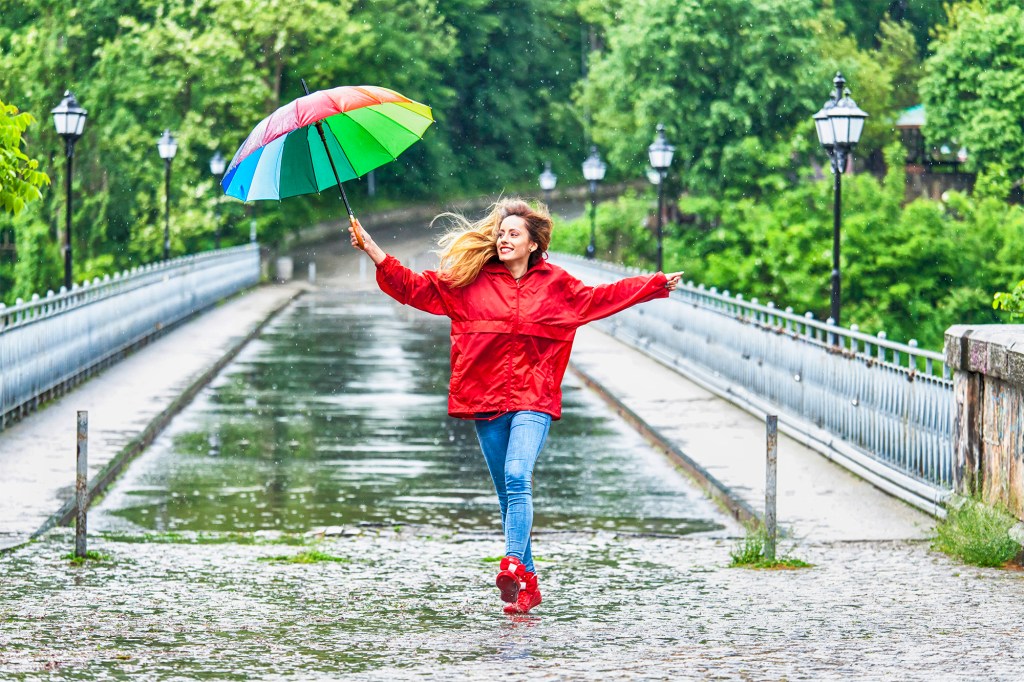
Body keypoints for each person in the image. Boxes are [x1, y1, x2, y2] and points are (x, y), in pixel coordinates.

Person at [349, 198, 681, 615]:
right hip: (485, 400)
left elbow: (601, 297)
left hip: (534, 398)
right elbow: (416, 288)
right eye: (500, 233)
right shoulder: (469, 282)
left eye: (513, 234)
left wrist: (653, 284)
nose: (503, 239)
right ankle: (529, 582)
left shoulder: (557, 286)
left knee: (517, 474)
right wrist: (372, 250)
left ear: (533, 244)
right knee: (509, 497)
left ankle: (510, 563)